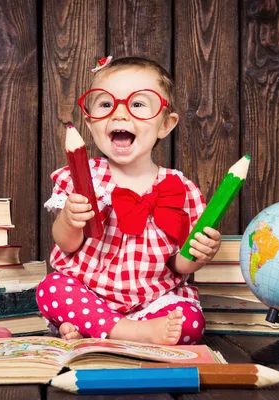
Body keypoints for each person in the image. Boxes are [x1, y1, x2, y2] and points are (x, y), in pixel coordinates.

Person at [37, 56, 221, 345]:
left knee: (190, 322)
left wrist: (199, 254)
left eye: (137, 104)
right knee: (51, 288)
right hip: (90, 296)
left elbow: (179, 265)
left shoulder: (180, 189)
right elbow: (67, 244)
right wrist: (69, 220)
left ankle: (92, 332)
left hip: (154, 302)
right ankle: (127, 332)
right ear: (90, 120)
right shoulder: (85, 178)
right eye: (106, 104)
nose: (120, 114)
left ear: (165, 125)